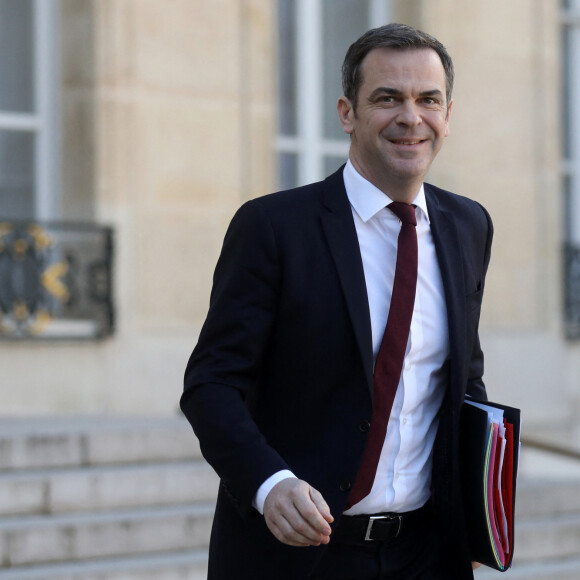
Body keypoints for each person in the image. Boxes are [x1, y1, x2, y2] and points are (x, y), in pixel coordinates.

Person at [181, 23, 493, 580]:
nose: (410, 117)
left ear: (448, 114)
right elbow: (211, 386)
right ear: (347, 113)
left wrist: (475, 517)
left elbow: (463, 383)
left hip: (427, 553)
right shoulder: (273, 228)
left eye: (428, 100)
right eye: (387, 98)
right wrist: (268, 484)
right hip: (300, 555)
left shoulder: (468, 225)